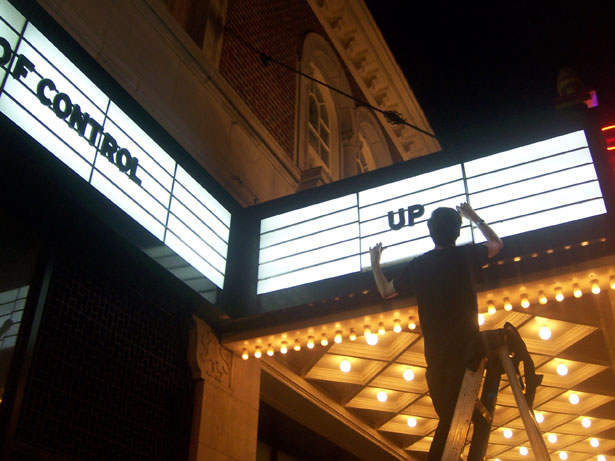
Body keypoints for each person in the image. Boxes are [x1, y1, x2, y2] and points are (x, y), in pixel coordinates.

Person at [370, 202, 503, 460]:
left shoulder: (420, 265)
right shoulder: (466, 255)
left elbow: (385, 291)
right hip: (468, 354)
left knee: (448, 422)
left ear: (430, 232)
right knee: (456, 422)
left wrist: (375, 262)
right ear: (457, 231)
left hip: (436, 359)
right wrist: (474, 216)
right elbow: (497, 244)